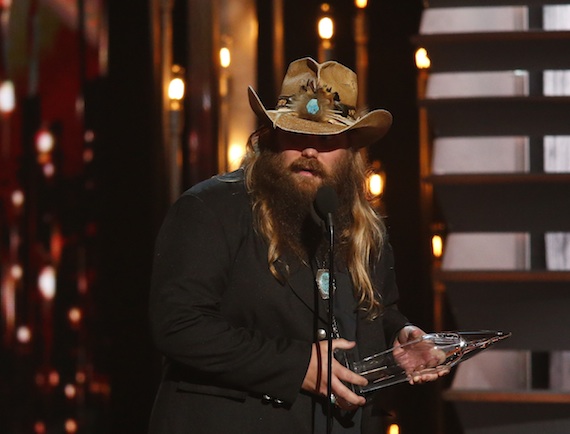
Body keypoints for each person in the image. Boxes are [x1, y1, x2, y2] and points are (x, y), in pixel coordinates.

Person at [148, 57, 447, 434]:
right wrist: (298, 366)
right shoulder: (210, 209)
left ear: (351, 151)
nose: (310, 150)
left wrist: (398, 338)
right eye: (296, 134)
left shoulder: (362, 224)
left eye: (326, 139)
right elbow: (178, 325)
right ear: (271, 137)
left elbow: (374, 311)